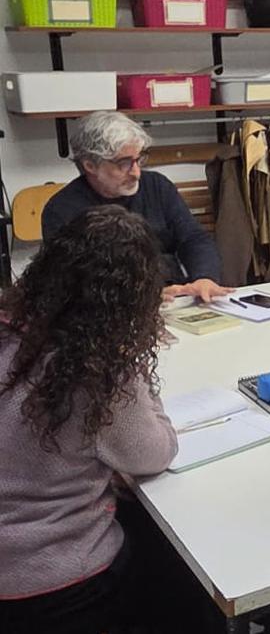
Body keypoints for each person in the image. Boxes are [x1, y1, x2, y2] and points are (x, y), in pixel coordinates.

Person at [0, 206, 179, 634]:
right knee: (171, 563)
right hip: (59, 585)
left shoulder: (10, 330)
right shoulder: (94, 369)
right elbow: (155, 453)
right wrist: (130, 362)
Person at [41, 111, 231, 303]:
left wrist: (205, 277)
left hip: (174, 296)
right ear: (90, 165)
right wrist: (139, 297)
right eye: (124, 163)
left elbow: (192, 238)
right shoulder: (62, 210)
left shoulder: (157, 186)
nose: (136, 173)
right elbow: (71, 282)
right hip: (107, 308)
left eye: (139, 159)